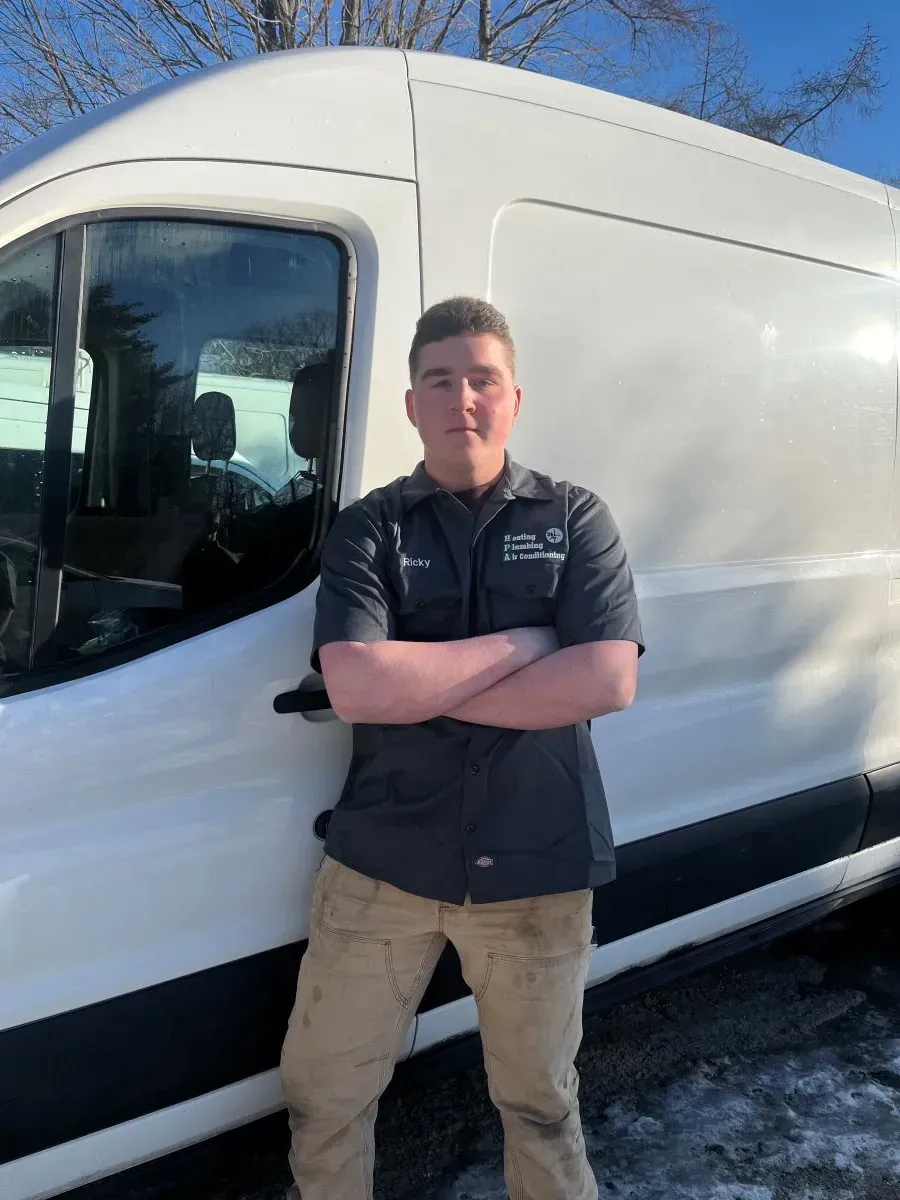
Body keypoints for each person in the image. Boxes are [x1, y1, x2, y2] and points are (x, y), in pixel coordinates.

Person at [281, 297, 644, 1200]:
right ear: (411, 404)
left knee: (541, 1109)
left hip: (536, 865)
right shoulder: (370, 528)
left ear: (514, 398)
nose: (463, 398)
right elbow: (360, 687)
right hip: (382, 868)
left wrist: (428, 686)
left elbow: (606, 681)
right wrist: (528, 645)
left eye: (483, 378)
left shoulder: (578, 518)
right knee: (324, 1099)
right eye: (441, 380)